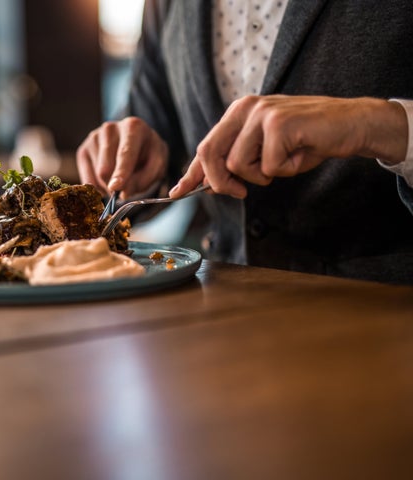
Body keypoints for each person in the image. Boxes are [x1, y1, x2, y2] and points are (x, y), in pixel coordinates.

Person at [77, 0, 413, 284]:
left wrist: (375, 124)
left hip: (386, 316)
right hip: (217, 309)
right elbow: (155, 124)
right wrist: (131, 168)